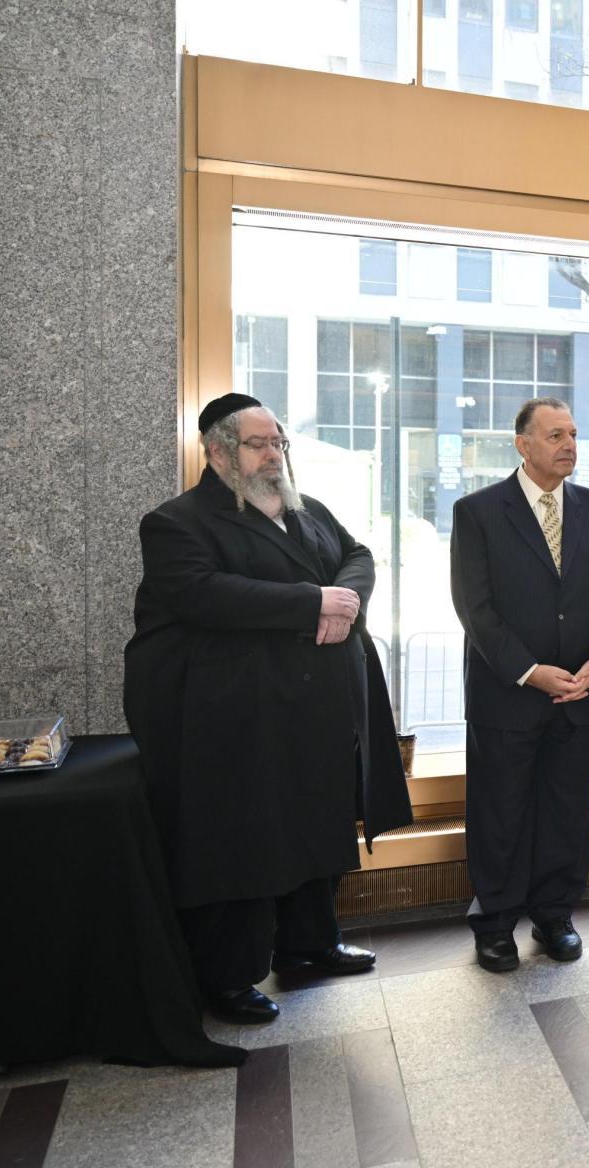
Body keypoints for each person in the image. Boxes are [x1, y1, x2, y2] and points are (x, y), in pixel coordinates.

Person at [125, 393, 412, 1025]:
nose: (273, 455)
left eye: (278, 442)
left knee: (317, 822)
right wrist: (313, 604)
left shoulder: (307, 510)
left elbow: (357, 555)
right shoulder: (177, 522)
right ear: (217, 451)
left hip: (315, 708)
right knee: (246, 843)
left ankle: (310, 943)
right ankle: (228, 977)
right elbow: (203, 594)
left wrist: (344, 600)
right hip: (240, 719)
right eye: (258, 444)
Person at [450, 397, 589, 971]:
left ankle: (555, 916)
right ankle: (495, 923)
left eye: (573, 434)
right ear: (522, 444)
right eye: (555, 436)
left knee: (567, 811)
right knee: (500, 812)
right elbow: (474, 608)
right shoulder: (478, 512)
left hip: (580, 693)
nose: (569, 445)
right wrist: (531, 672)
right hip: (507, 695)